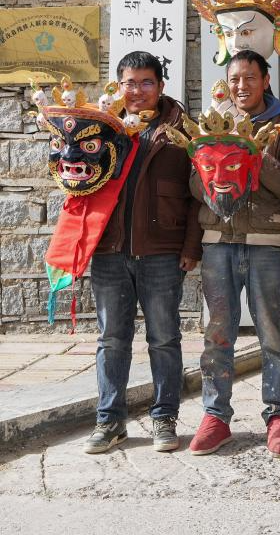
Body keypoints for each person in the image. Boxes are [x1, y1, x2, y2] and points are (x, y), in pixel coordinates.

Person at [83, 52, 202, 454]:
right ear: (118, 86)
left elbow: (196, 194)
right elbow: (78, 183)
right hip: (110, 250)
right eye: (129, 83)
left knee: (164, 338)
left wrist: (191, 247)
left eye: (146, 82)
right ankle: (109, 420)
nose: (137, 91)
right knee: (111, 339)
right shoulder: (101, 127)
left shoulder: (181, 130)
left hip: (162, 251)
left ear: (161, 86)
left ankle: (164, 416)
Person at [188, 51, 280, 459]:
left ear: (266, 80)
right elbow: (194, 184)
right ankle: (215, 416)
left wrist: (255, 157)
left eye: (250, 77)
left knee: (272, 334)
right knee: (218, 334)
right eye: (235, 78)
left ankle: (278, 415)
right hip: (218, 240)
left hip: (268, 241)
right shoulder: (213, 123)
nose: (241, 86)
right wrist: (217, 173)